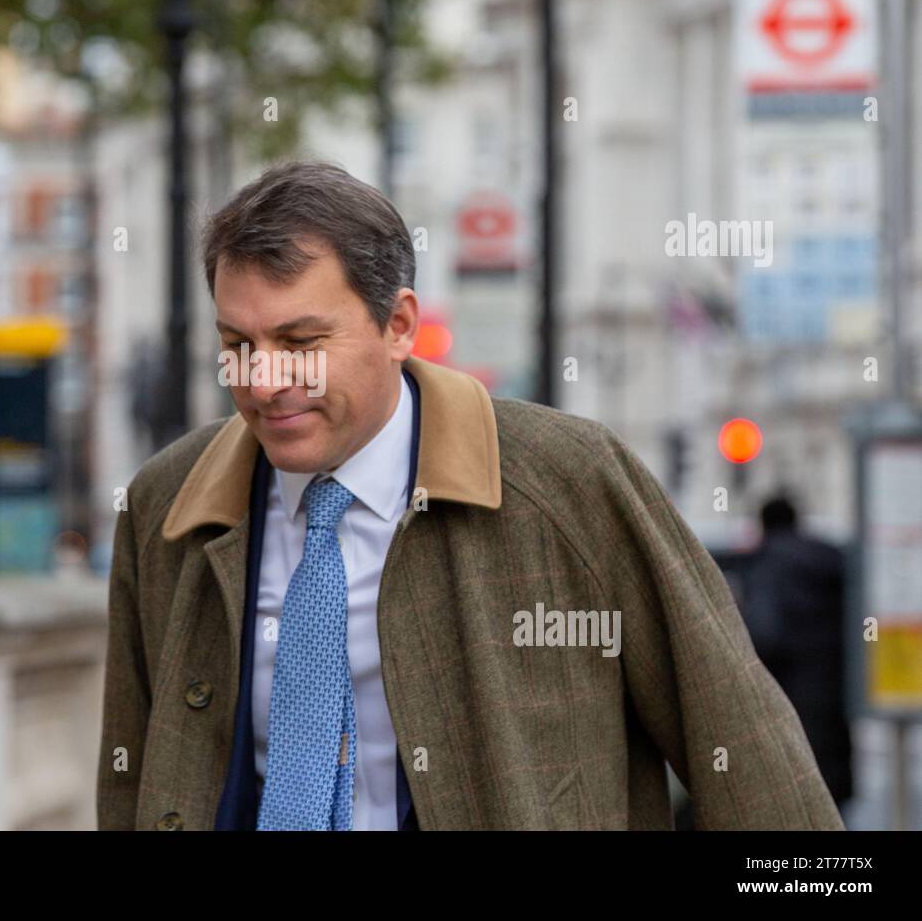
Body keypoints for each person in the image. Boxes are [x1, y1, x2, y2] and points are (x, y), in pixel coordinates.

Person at [96, 161, 843, 830]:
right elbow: (128, 779)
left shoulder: (572, 481)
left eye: (301, 343)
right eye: (238, 346)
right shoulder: (167, 506)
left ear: (398, 326)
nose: (263, 381)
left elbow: (741, 747)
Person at [740, 496, 854, 816]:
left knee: (797, 792)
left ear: (764, 524)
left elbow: (766, 633)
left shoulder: (771, 564)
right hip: (834, 691)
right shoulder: (829, 558)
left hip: (792, 694)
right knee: (831, 789)